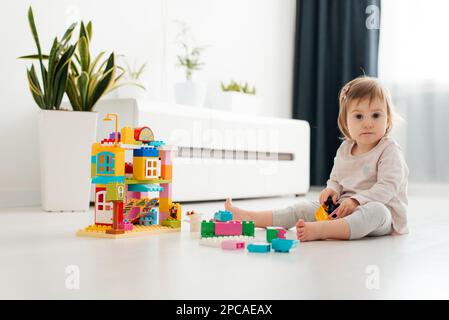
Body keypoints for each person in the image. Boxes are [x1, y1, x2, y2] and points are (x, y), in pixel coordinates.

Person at [225, 76, 409, 241]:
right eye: (359, 116)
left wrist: (356, 201)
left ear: (388, 118)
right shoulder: (345, 149)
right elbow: (336, 179)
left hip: (382, 215)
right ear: (346, 122)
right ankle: (254, 218)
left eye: (376, 115)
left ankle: (323, 230)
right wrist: (332, 190)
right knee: (303, 209)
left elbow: (388, 188)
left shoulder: (389, 150)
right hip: (342, 210)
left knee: (375, 212)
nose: (368, 123)